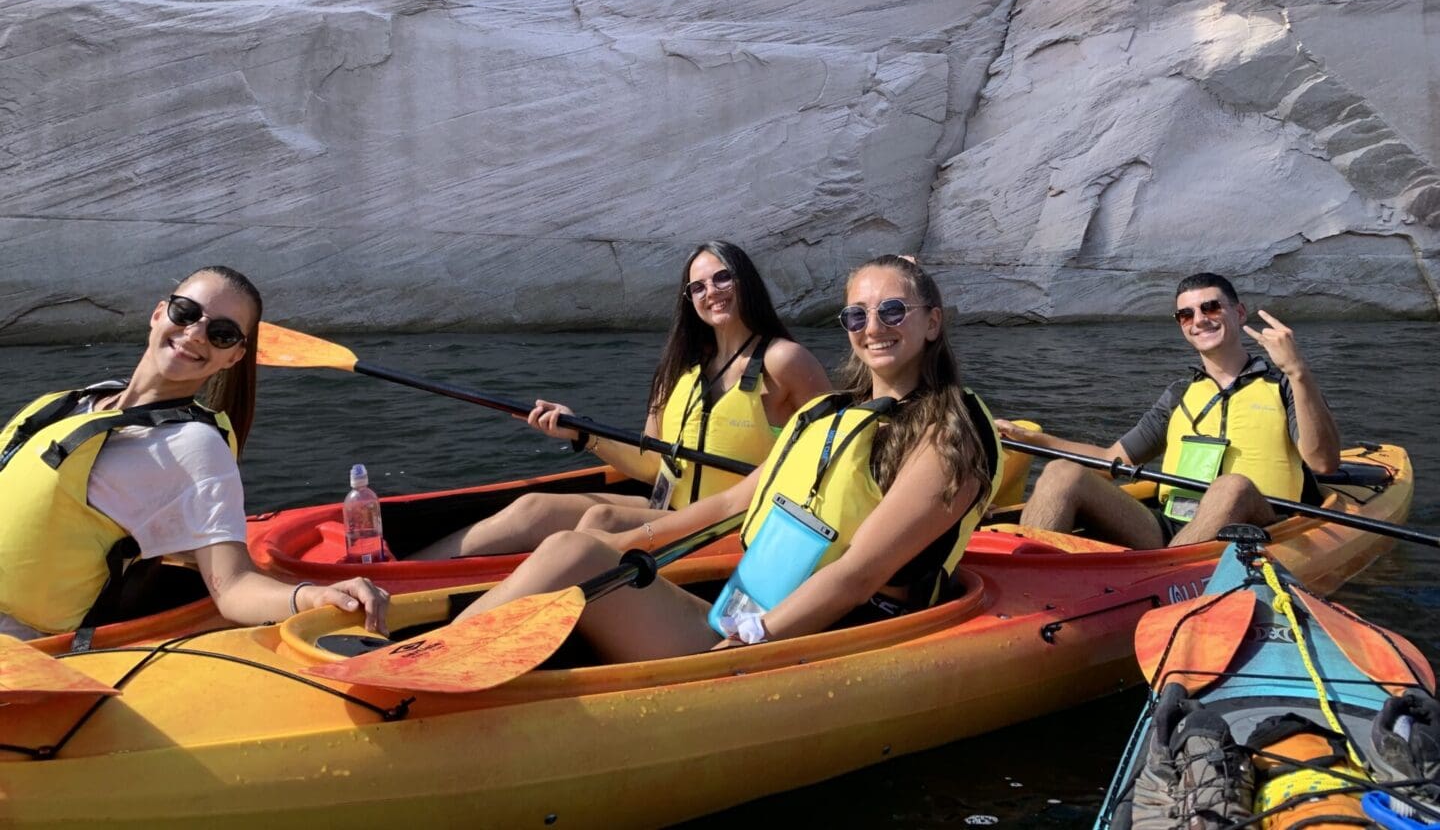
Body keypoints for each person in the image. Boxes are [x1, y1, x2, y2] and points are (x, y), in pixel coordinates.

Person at [452, 254, 1000, 661]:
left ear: (932, 322)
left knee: (572, 552)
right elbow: (738, 500)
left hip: (825, 634)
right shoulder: (833, 411)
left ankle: (422, 663)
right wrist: (619, 545)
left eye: (893, 310)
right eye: (857, 316)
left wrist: (753, 640)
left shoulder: (947, 435)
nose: (874, 327)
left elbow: (858, 574)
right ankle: (431, 654)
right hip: (745, 607)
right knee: (573, 546)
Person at [0, 266, 389, 640]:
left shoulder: (194, 446)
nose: (196, 332)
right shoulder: (68, 403)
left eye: (221, 333)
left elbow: (233, 588)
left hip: (23, 642)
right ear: (158, 314)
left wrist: (312, 596)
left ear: (235, 356)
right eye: (186, 312)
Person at [413, 241, 830, 559]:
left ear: (746, 282)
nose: (712, 292)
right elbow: (651, 466)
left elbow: (834, 452)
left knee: (601, 519)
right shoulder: (680, 368)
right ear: (689, 300)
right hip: (669, 508)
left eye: (723, 278)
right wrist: (582, 433)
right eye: (698, 286)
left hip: (730, 523)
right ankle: (405, 571)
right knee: (533, 508)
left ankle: (528, 597)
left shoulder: (783, 360)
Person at [1004, 272, 1341, 549]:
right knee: (1063, 473)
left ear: (1238, 313)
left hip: (1262, 524)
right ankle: (1029, 573)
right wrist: (1037, 439)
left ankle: (1168, 574)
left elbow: (1323, 462)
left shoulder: (1285, 385)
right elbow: (1111, 459)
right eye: (1186, 314)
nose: (1199, 320)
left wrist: (1298, 372)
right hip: (1172, 527)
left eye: (1211, 308)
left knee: (1232, 486)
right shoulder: (1179, 394)